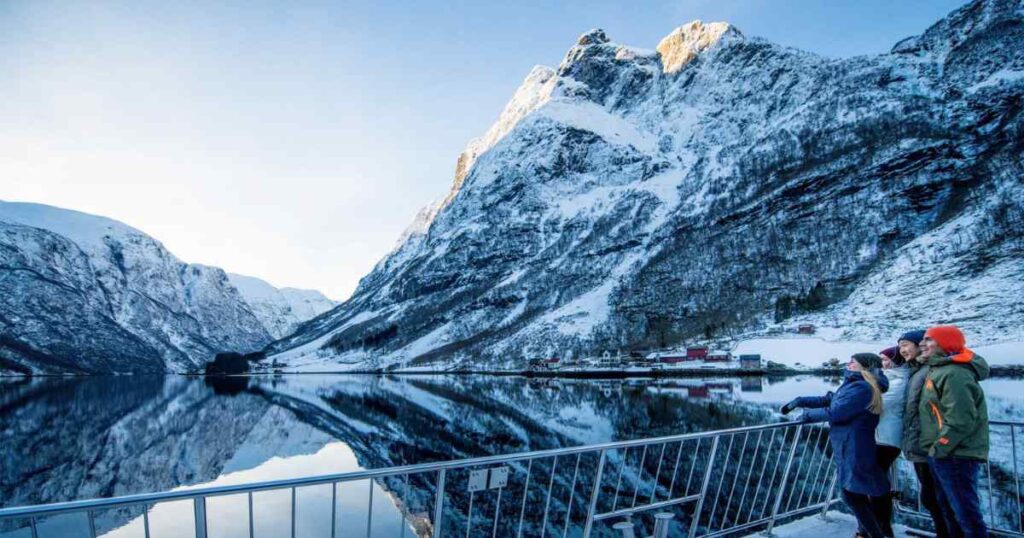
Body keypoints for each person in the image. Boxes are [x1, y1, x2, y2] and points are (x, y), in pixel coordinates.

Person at [781, 353, 890, 538]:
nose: (848, 364)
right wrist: (801, 401)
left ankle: (875, 534)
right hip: (849, 443)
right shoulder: (855, 384)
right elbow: (831, 399)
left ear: (865, 367)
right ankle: (867, 533)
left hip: (855, 444)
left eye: (852, 362)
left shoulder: (862, 387)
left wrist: (806, 415)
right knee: (854, 491)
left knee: (851, 493)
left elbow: (837, 411)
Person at [919, 325, 990, 538]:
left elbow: (961, 418)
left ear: (945, 344)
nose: (923, 344)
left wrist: (940, 447)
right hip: (947, 452)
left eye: (929, 340)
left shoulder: (955, 373)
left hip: (955, 454)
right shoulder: (940, 369)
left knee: (965, 513)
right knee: (950, 509)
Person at [900, 329, 952, 538]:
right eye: (900, 345)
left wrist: (939, 441)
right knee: (932, 496)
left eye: (905, 344)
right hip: (920, 443)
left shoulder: (929, 370)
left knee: (939, 497)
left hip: (931, 445)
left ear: (919, 345)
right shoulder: (917, 370)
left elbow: (939, 408)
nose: (902, 349)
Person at [872, 346, 908, 538]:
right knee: (876, 481)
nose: (882, 364)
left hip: (887, 439)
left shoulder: (899, 380)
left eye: (885, 360)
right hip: (881, 436)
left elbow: (878, 405)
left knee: (876, 483)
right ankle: (879, 526)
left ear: (896, 361)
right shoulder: (888, 379)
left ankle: (882, 527)